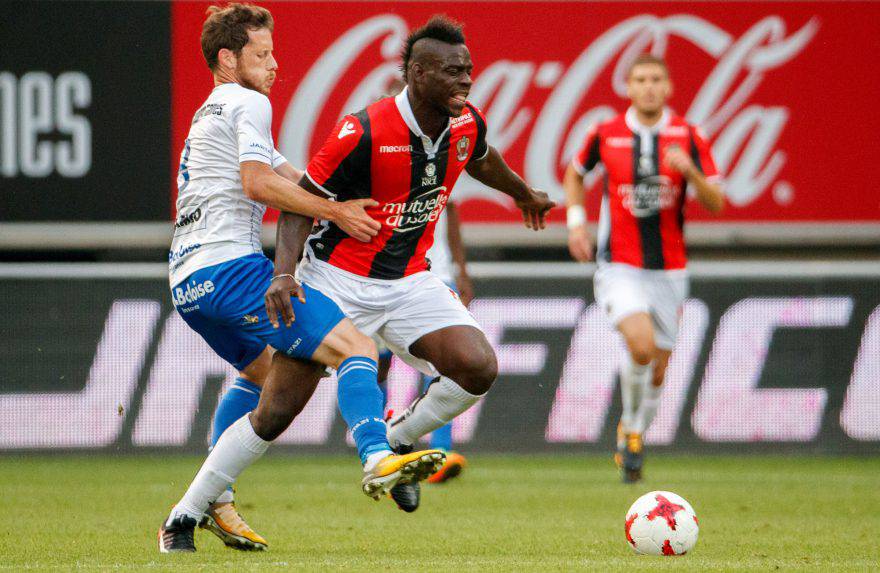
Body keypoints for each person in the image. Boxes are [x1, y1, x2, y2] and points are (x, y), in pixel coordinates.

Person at [159, 4, 443, 553]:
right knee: (355, 346)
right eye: (261, 54)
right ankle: (378, 454)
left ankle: (190, 515)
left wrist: (337, 191)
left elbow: (295, 176)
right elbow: (260, 184)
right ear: (227, 58)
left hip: (188, 280)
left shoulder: (210, 111)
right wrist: (336, 214)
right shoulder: (249, 101)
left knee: (272, 387)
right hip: (230, 269)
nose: (273, 64)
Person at [264, 15, 554, 512]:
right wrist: (284, 274)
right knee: (274, 413)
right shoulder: (363, 130)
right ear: (419, 73)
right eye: (453, 71)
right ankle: (196, 505)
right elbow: (298, 203)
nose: (467, 79)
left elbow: (481, 157)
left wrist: (522, 193)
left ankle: (396, 442)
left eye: (469, 69)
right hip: (337, 279)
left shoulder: (466, 122)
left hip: (407, 282)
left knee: (478, 366)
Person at [563, 54, 725, 483]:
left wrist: (691, 172)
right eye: (641, 79)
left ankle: (633, 430)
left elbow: (716, 201)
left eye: (656, 79)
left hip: (670, 270)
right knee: (640, 346)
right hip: (619, 264)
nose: (649, 87)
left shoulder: (689, 136)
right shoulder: (605, 132)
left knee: (658, 367)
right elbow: (575, 175)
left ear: (669, 87)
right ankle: (632, 433)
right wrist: (577, 224)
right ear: (628, 88)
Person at [376, 202, 473, 489]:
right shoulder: (380, 159)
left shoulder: (441, 157)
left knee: (444, 365)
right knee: (378, 365)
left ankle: (440, 451)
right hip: (383, 279)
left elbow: (452, 209)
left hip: (436, 277)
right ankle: (380, 449)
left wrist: (461, 269)